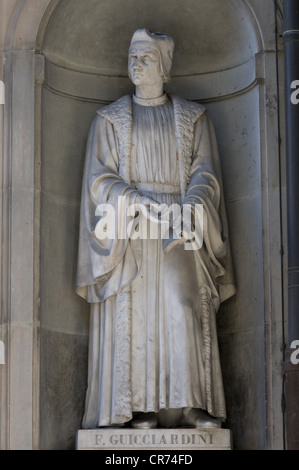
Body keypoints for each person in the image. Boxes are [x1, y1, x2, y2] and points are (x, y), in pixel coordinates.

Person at [76, 28, 235, 429]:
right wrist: (131, 198)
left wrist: (192, 205)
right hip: (129, 228)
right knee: (136, 316)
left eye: (145, 57)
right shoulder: (109, 120)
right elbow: (99, 179)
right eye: (132, 56)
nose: (135, 64)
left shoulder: (193, 116)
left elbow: (206, 173)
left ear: (164, 68)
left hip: (178, 226)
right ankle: (136, 408)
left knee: (183, 308)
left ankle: (191, 404)